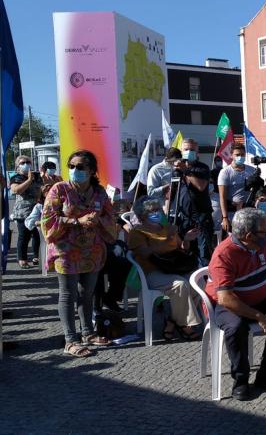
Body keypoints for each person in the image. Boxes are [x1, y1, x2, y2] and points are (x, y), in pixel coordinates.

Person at [207, 207, 266, 400]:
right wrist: (259, 317)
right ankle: (241, 380)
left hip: (259, 297)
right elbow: (226, 298)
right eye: (264, 231)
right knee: (236, 328)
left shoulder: (261, 242)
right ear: (248, 235)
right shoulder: (224, 254)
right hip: (229, 303)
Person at [41, 150, 117, 357]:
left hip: (92, 251)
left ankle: (88, 333)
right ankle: (70, 340)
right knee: (68, 294)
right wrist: (76, 221)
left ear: (92, 170)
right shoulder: (60, 189)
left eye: (81, 167)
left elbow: (111, 218)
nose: (75, 170)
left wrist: (99, 220)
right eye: (72, 166)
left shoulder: (99, 193)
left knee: (87, 293)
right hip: (65, 250)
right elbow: (48, 219)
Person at [128, 197, 202, 341]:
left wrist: (186, 239)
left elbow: (182, 248)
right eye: (152, 211)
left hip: (174, 268)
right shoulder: (137, 233)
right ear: (142, 215)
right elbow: (145, 253)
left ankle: (172, 321)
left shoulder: (167, 227)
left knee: (197, 282)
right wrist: (167, 239)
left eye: (158, 209)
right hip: (152, 272)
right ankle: (185, 325)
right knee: (180, 284)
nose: (157, 213)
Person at [174, 163, 215, 262]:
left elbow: (201, 186)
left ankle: (204, 270)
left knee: (204, 254)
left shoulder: (201, 167)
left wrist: (186, 172)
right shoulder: (182, 172)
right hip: (185, 220)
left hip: (201, 220)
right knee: (186, 252)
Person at [10, 155, 43, 269]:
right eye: (22, 163)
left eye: (28, 162)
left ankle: (37, 257)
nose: (26, 164)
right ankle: (22, 259)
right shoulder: (16, 178)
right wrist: (29, 180)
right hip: (22, 212)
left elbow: (40, 189)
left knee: (37, 235)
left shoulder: (37, 176)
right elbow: (16, 190)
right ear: (17, 166)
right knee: (24, 236)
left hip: (36, 211)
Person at [218, 143, 258, 233]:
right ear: (231, 155)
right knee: (236, 238)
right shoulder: (225, 172)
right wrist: (225, 217)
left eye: (242, 154)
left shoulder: (252, 170)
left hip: (249, 211)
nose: (240, 157)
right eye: (237, 155)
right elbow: (222, 197)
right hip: (233, 213)